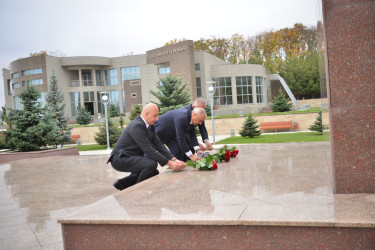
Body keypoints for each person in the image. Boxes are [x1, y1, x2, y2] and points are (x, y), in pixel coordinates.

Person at [107, 103, 185, 191]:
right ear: (146, 114)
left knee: (153, 172)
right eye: (155, 116)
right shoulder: (136, 126)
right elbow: (149, 150)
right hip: (120, 159)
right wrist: (170, 164)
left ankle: (123, 183)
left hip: (130, 157)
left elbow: (159, 145)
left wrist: (174, 159)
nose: (157, 119)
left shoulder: (150, 126)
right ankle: (137, 191)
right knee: (151, 164)